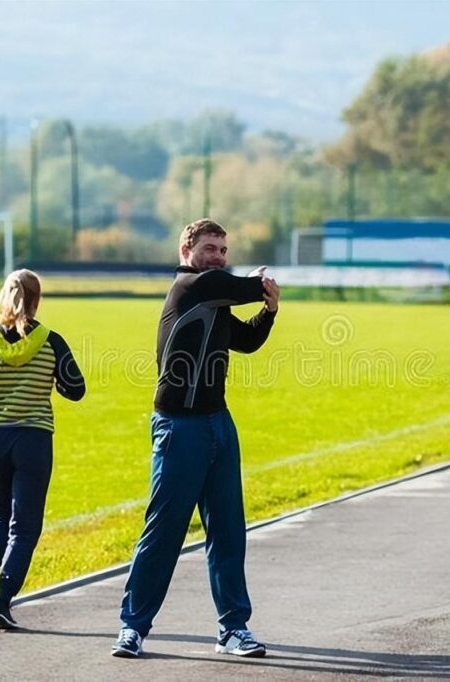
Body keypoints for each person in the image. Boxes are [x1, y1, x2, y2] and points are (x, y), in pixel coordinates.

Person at [112, 218, 280, 659]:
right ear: (186, 252)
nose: (218, 257)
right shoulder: (192, 287)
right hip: (178, 427)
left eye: (224, 250)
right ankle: (132, 627)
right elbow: (244, 286)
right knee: (164, 531)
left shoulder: (215, 298)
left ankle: (233, 629)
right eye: (210, 248)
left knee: (228, 531)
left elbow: (246, 340)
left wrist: (270, 313)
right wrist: (263, 283)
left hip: (217, 423)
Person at [0, 269, 85, 629]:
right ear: (37, 299)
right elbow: (77, 388)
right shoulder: (50, 340)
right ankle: (2, 600)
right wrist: (55, 382)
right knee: (24, 526)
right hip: (33, 438)